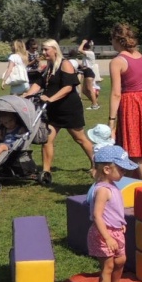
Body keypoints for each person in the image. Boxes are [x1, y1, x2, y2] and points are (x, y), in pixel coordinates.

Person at [26, 39, 94, 183]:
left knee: (80, 138)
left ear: (55, 50)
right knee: (47, 139)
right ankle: (46, 172)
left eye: (46, 50)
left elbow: (68, 87)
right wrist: (26, 95)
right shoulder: (48, 68)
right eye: (42, 50)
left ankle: (96, 164)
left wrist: (51, 98)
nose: (43, 53)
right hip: (53, 110)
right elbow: (38, 84)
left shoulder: (65, 64)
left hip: (69, 108)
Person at [87, 145, 139, 282]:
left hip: (116, 231)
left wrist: (120, 223)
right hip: (103, 233)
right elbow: (97, 215)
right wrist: (108, 237)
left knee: (121, 260)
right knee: (108, 267)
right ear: (107, 169)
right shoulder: (103, 190)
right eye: (122, 169)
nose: (125, 172)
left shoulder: (113, 185)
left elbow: (113, 209)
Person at [108, 23, 142, 181]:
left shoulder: (117, 61)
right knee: (131, 151)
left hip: (131, 104)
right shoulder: (141, 57)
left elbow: (116, 93)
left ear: (116, 40)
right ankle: (122, 185)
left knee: (136, 153)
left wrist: (111, 121)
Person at [77, 39, 101, 110]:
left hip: (89, 72)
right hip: (86, 72)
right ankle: (95, 102)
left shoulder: (90, 53)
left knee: (90, 89)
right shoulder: (87, 54)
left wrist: (83, 42)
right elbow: (84, 63)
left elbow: (79, 50)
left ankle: (95, 105)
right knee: (84, 90)